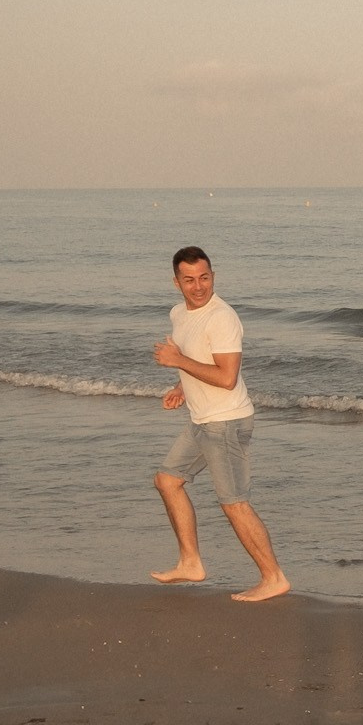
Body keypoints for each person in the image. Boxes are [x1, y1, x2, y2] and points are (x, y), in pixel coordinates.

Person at [150, 246, 290, 602]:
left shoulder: (222, 318)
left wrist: (177, 360)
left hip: (226, 423)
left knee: (234, 503)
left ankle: (273, 577)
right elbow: (201, 360)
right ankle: (191, 562)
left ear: (214, 275)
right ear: (176, 282)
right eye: (190, 280)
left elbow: (227, 377)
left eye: (205, 278)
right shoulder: (179, 313)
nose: (199, 287)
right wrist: (182, 385)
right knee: (167, 481)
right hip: (202, 420)